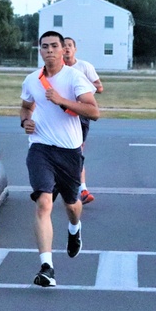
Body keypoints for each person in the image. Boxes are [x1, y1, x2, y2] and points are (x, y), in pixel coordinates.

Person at [20, 31, 100, 287]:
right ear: (40, 51)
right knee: (44, 203)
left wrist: (61, 100)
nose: (50, 50)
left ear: (63, 50)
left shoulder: (75, 78)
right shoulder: (33, 79)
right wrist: (25, 121)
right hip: (40, 147)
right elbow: (25, 106)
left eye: (55, 46)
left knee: (72, 205)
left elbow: (93, 111)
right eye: (45, 47)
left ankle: (74, 229)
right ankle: (47, 267)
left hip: (69, 152)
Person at [63, 37, 103, 204]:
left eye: (69, 46)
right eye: (63, 46)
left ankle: (83, 190)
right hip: (61, 115)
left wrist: (82, 91)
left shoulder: (84, 67)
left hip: (80, 115)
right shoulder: (55, 69)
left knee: (76, 151)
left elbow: (99, 87)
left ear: (75, 49)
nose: (66, 49)